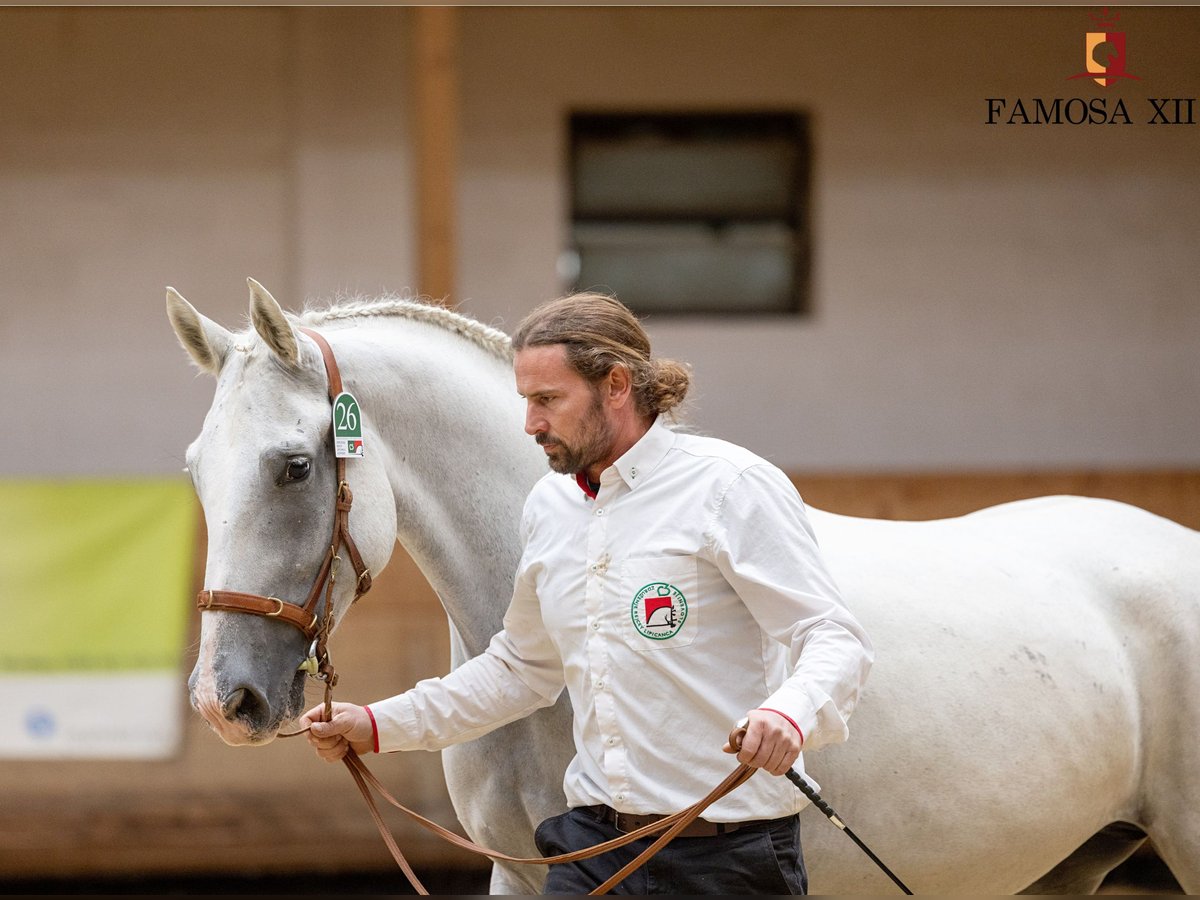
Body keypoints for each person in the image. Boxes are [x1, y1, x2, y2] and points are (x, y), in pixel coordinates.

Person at [301, 292, 873, 894]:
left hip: (729, 860)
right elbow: (520, 669)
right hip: (594, 848)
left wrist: (791, 713)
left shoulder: (732, 487)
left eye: (548, 400)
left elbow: (832, 635)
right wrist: (378, 723)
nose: (531, 424)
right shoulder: (549, 507)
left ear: (617, 385)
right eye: (526, 401)